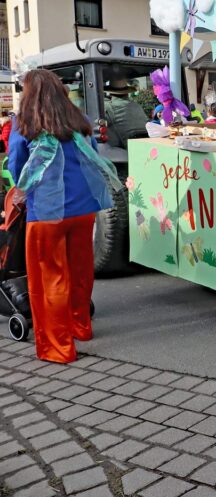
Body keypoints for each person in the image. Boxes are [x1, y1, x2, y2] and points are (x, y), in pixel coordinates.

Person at [7, 69, 118, 363]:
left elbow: (18, 168)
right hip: (83, 210)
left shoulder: (25, 123)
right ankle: (80, 327)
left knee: (50, 279)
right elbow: (92, 156)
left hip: (47, 212)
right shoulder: (77, 120)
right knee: (80, 271)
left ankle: (58, 347)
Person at [102, 78, 149, 149]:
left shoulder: (108, 107)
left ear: (110, 92)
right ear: (127, 92)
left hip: (124, 151)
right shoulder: (137, 106)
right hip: (144, 146)